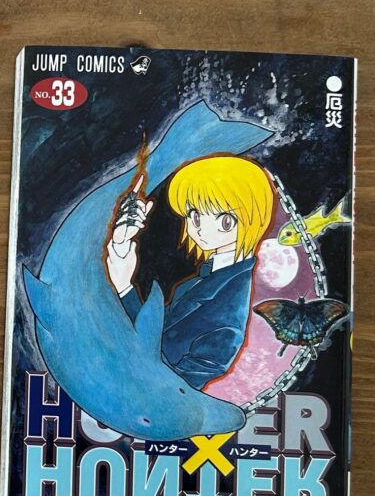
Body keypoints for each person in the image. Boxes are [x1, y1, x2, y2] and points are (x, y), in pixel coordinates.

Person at [105, 155, 276, 389]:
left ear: (253, 219)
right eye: (194, 216)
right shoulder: (205, 280)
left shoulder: (228, 311)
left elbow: (174, 389)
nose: (201, 229)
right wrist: (123, 278)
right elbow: (152, 336)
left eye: (225, 221)